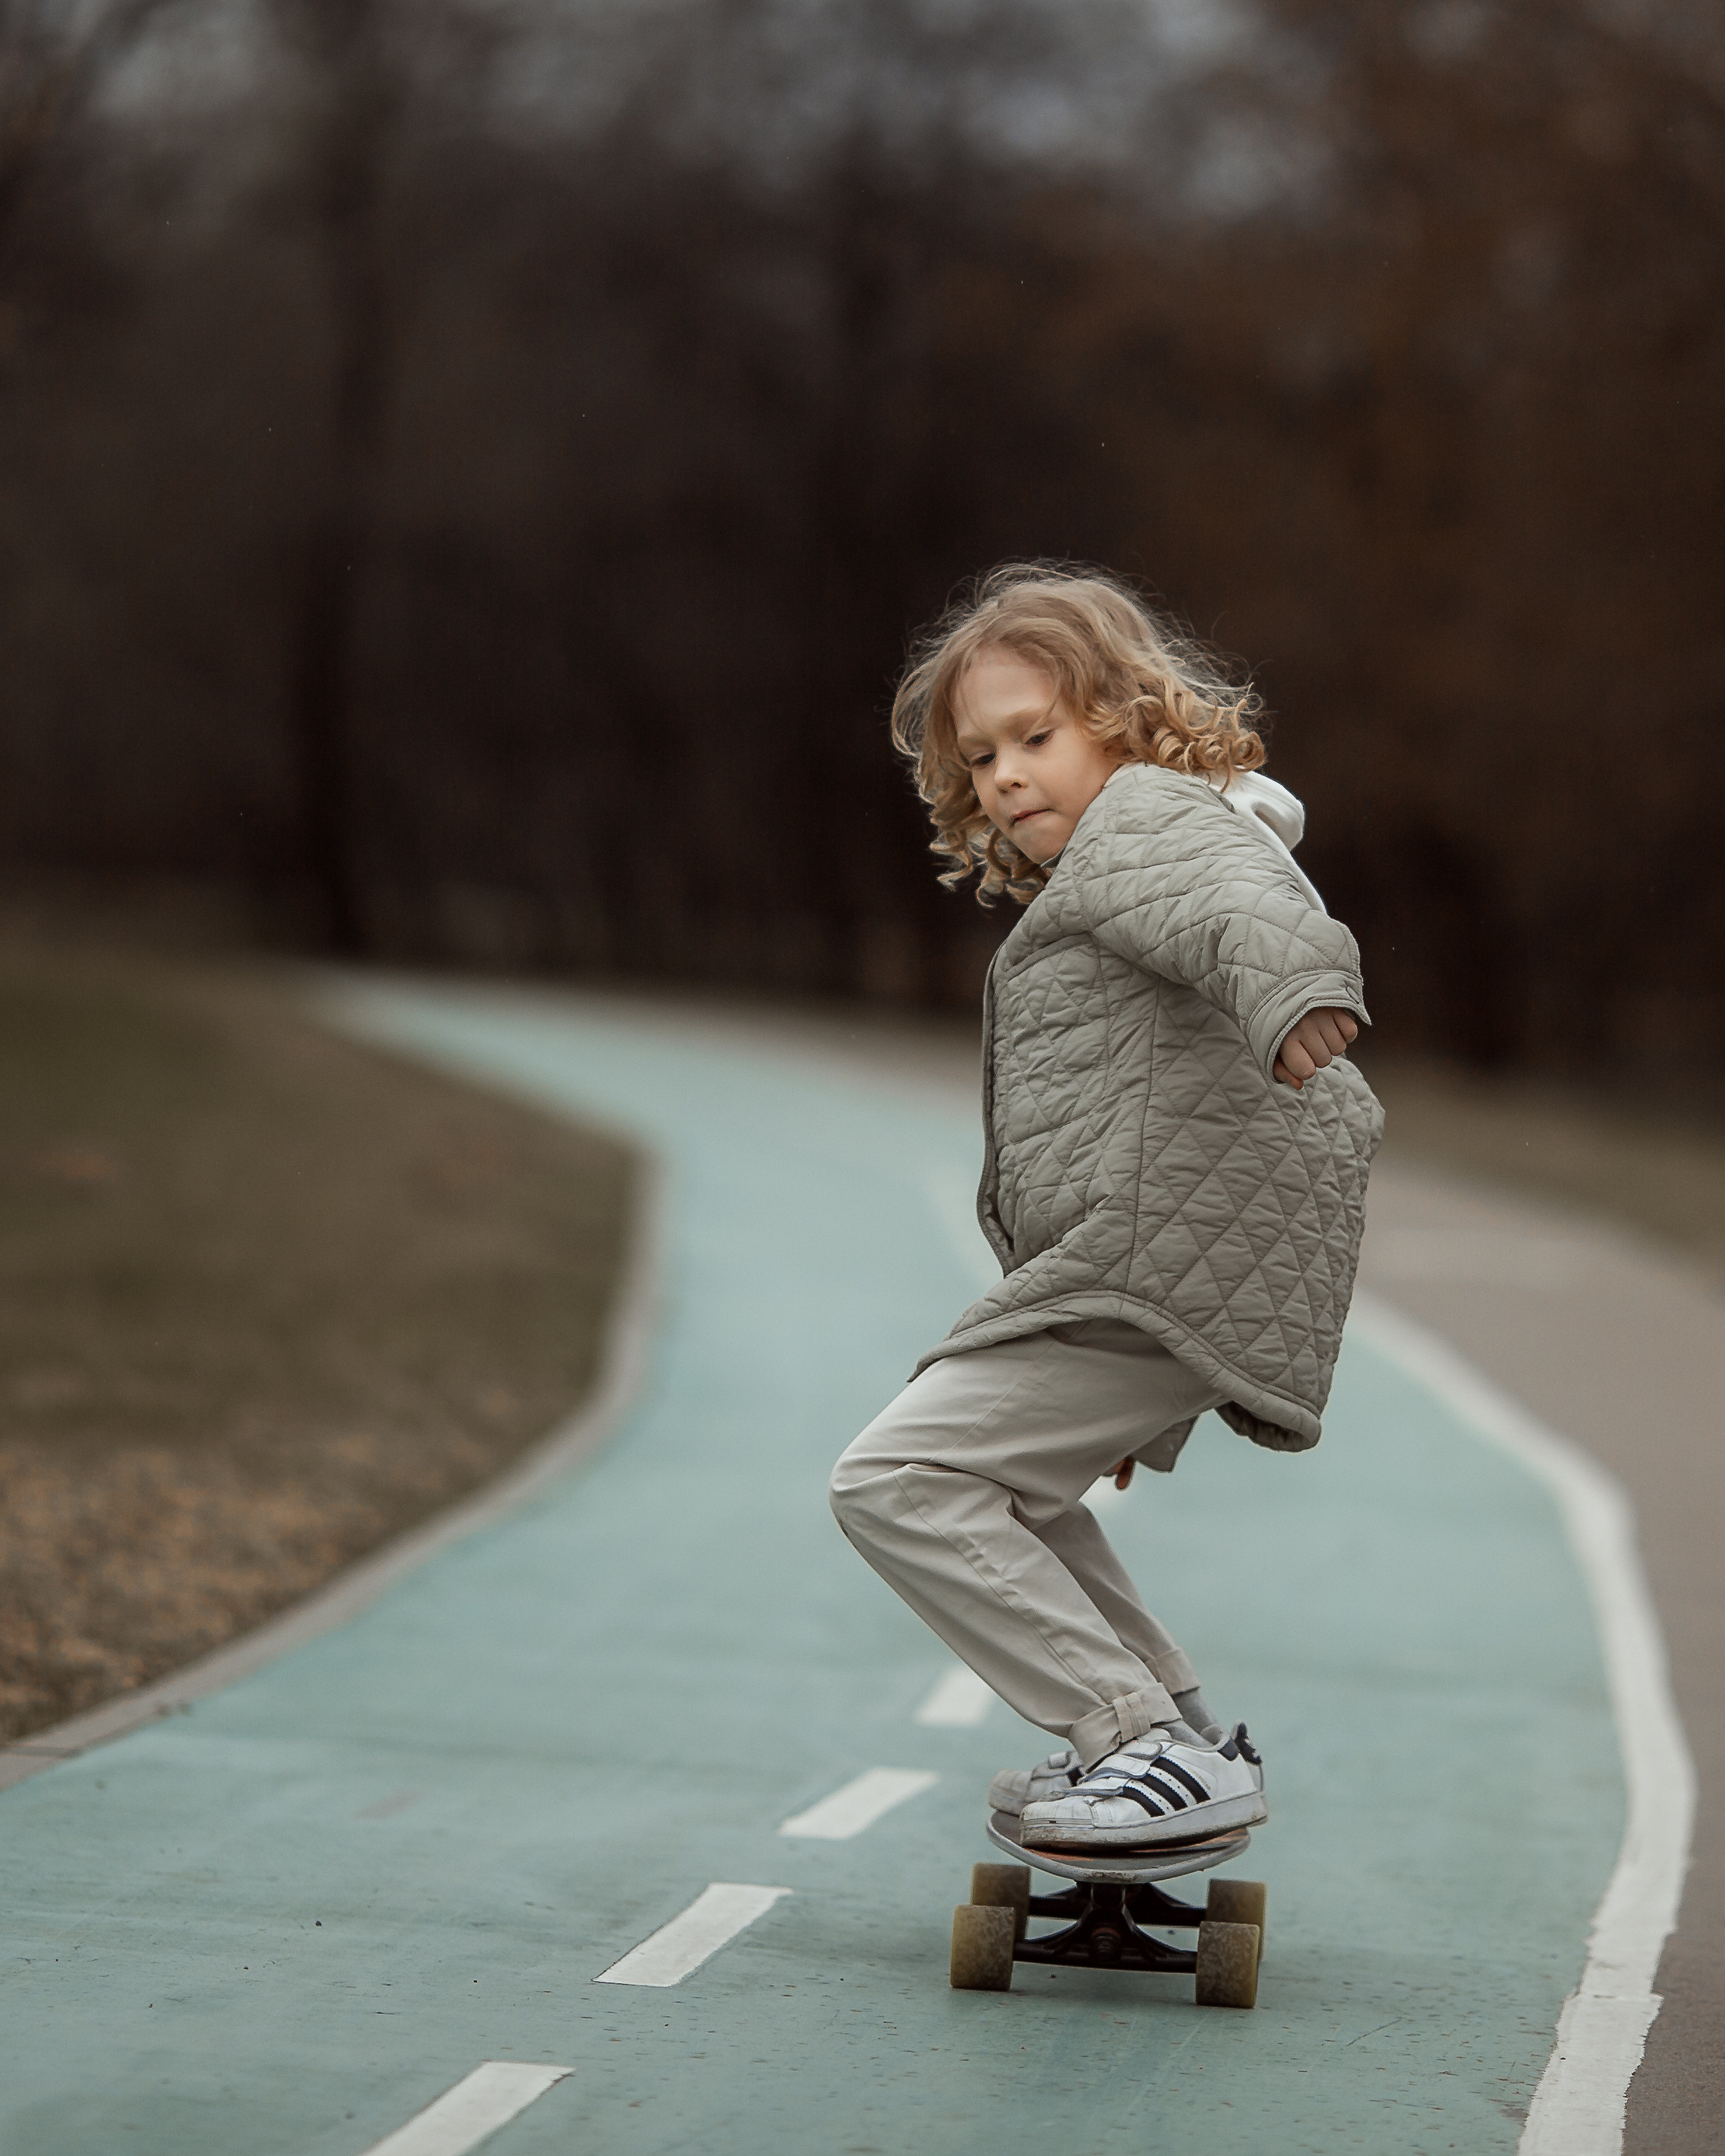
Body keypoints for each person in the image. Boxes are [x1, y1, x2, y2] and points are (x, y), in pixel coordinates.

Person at [829, 563, 1382, 1851]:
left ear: (1124, 723)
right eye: (981, 757)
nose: (1006, 776)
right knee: (1007, 1485)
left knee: (898, 1478)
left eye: (1036, 736)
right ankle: (1177, 1735)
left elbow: (1236, 906)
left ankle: (1134, 1742)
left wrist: (1294, 988)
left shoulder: (1148, 818)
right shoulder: (1117, 858)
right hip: (1164, 1252)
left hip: (1160, 1251)